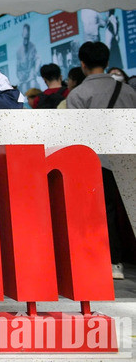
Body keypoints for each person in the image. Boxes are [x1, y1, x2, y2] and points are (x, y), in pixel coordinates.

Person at [67, 41, 136, 280]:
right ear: (107, 62)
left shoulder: (78, 94)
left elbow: (76, 134)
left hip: (97, 160)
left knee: (102, 210)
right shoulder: (128, 91)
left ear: (83, 64)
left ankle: (113, 262)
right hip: (129, 157)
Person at [15, 23, 40, 94]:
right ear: (22, 35)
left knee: (33, 85)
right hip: (22, 77)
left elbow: (37, 60)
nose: (26, 39)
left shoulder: (33, 47)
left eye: (27, 37)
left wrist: (35, 71)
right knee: (22, 88)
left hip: (31, 75)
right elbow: (17, 67)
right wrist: (21, 76)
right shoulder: (19, 51)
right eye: (24, 37)